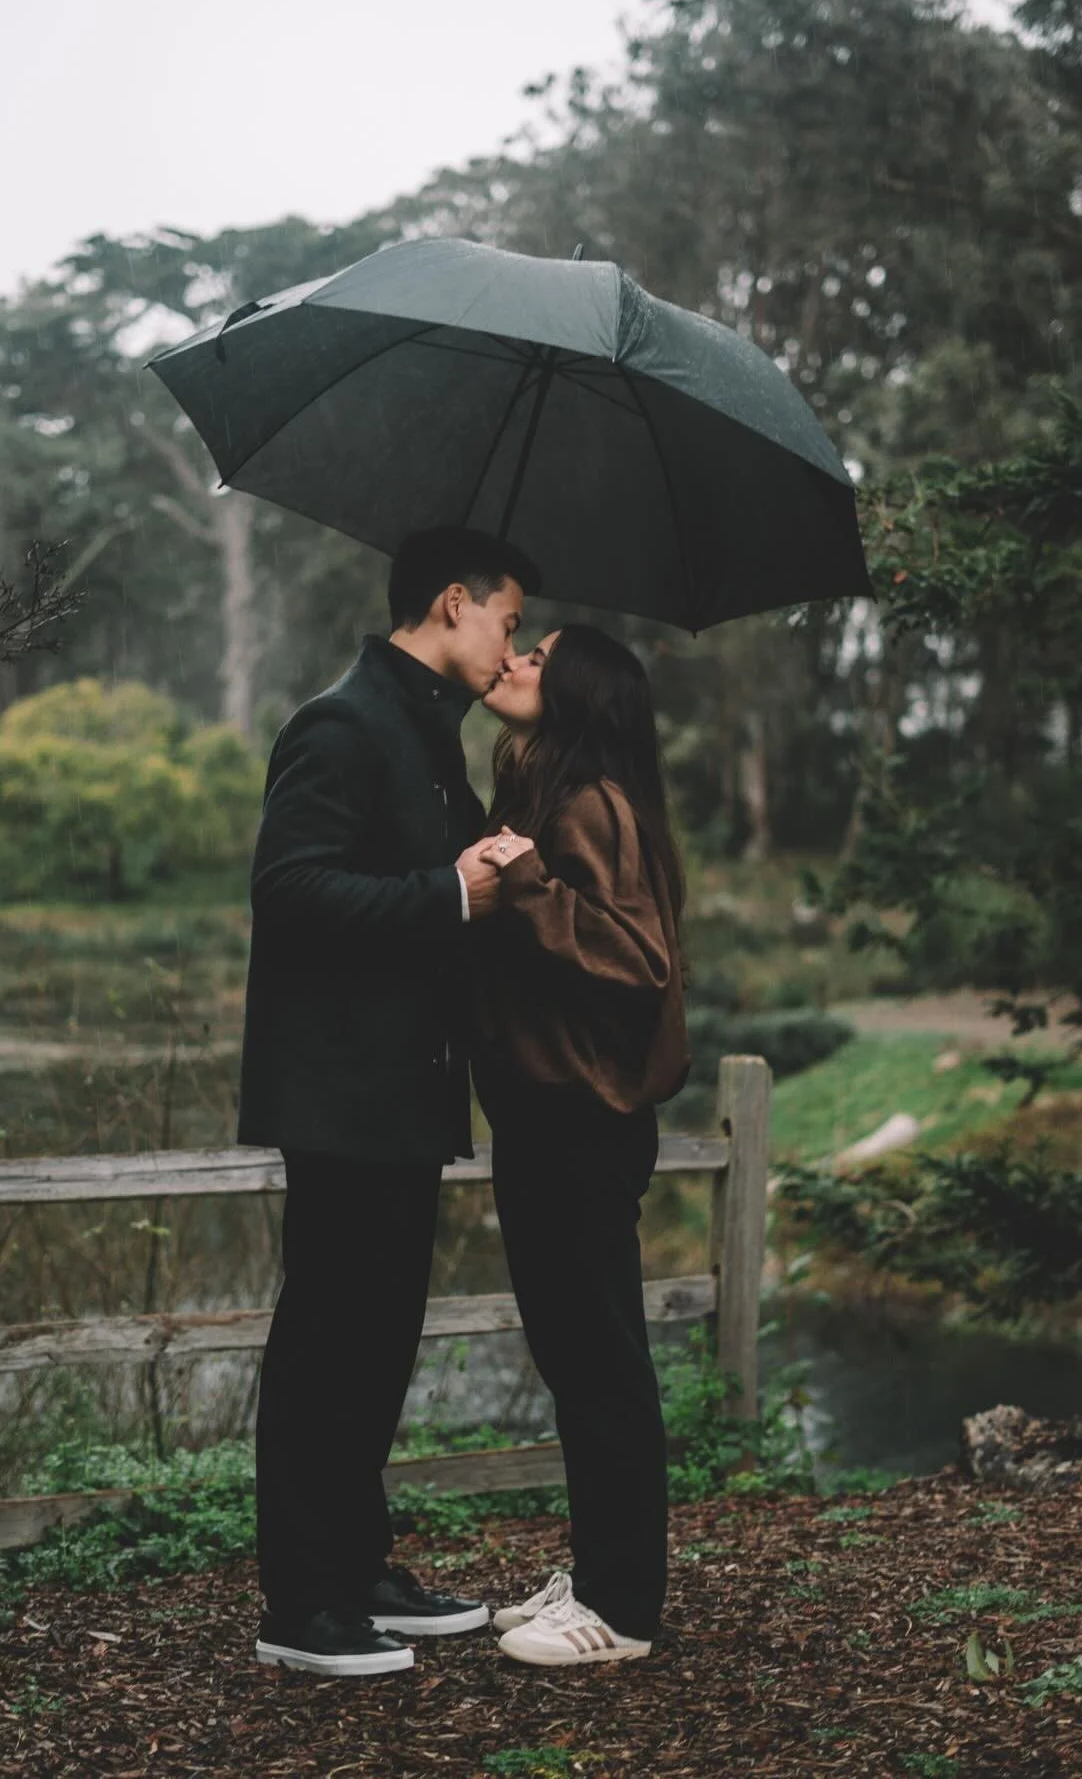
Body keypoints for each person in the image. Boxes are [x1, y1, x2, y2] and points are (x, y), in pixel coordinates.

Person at [241, 524, 541, 1678]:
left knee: (380, 1340)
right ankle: (300, 1605)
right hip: (337, 1094)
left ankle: (358, 1566)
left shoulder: (431, 738)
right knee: (326, 1341)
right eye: (508, 619)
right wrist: (446, 889)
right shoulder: (342, 721)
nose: (511, 642)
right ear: (454, 602)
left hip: (408, 1095)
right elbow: (291, 888)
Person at [472, 623, 690, 1667]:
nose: (513, 658)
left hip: (585, 1120)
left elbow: (639, 955)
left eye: (538, 652)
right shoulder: (542, 791)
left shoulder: (594, 804)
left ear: (582, 694)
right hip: (543, 1115)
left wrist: (524, 883)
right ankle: (596, 1567)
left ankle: (621, 1605)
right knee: (575, 1358)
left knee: (603, 1362)